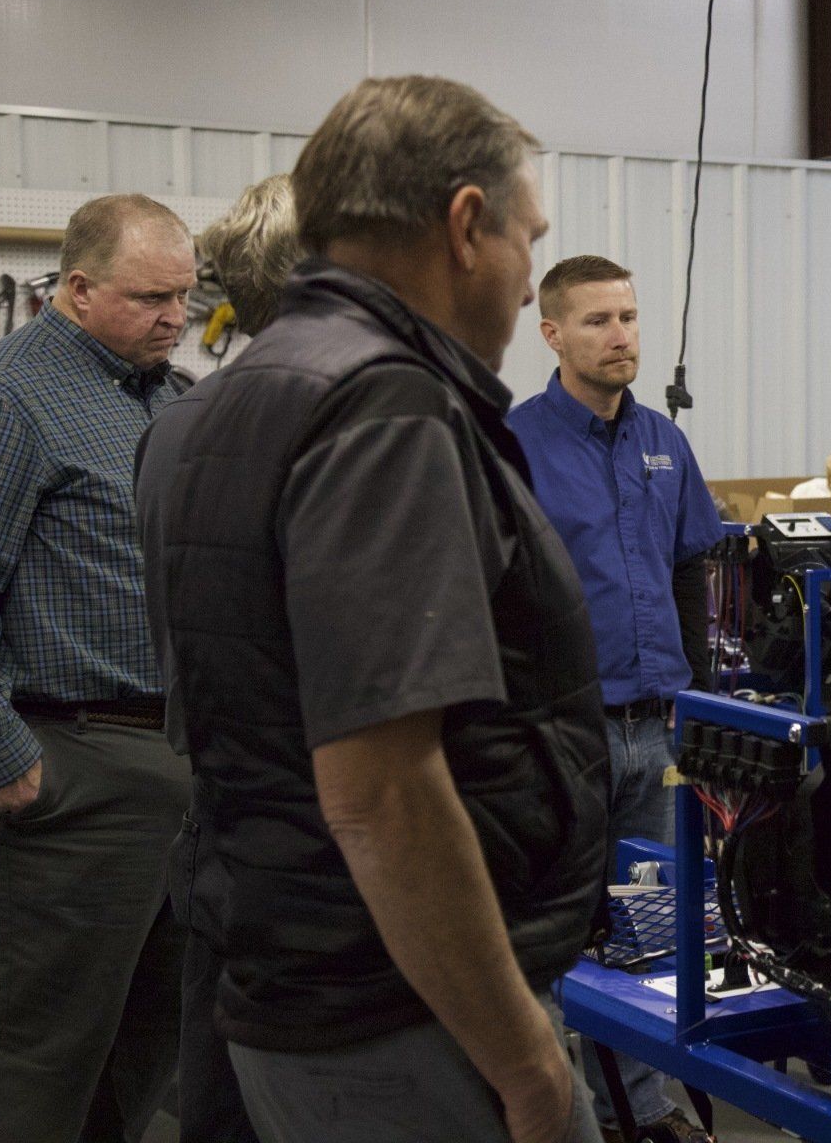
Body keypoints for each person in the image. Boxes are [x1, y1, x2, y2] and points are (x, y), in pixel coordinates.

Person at [136, 75, 608, 1143]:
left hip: (303, 975)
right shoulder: (385, 402)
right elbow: (381, 790)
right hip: (403, 1012)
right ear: (465, 225)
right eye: (527, 238)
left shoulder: (247, 390)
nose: (528, 271)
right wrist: (526, 1059)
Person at [0, 193, 196, 1143]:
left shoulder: (173, 398)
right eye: (152, 297)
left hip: (179, 764)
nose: (175, 317)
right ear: (76, 290)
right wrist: (7, 759)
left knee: (149, 1042)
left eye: (187, 296)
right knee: (41, 1055)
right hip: (74, 768)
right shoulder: (13, 395)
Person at [507, 255, 723, 1143]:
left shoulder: (666, 445)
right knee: (558, 938)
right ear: (553, 334)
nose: (622, 334)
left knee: (656, 932)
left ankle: (647, 1111)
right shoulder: (512, 444)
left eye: (629, 316)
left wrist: (699, 701)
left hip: (658, 734)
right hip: (564, 737)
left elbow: (690, 573)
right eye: (597, 320)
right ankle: (568, 1119)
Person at [136, 173, 302, 1143]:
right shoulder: (356, 425)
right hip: (325, 847)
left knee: (222, 1101)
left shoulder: (174, 425)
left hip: (218, 819)